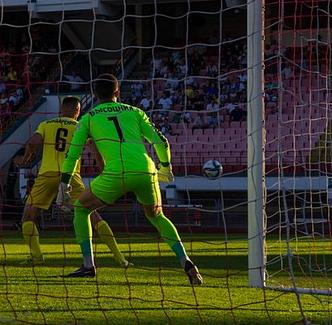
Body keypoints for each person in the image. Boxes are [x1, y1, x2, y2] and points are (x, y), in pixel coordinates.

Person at [60, 74, 203, 285]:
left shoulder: (88, 118)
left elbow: (73, 153)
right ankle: (186, 261)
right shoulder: (135, 112)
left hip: (116, 173)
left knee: (81, 208)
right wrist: (165, 167)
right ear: (118, 93)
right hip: (145, 170)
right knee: (157, 216)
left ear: (95, 95)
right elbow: (161, 142)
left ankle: (88, 266)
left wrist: (65, 183)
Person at [13, 96, 125, 266]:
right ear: (77, 111)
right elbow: (94, 149)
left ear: (61, 110)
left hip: (47, 174)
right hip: (71, 175)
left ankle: (36, 256)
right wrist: (104, 171)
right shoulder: (81, 126)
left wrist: (25, 160)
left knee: (28, 217)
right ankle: (119, 257)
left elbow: (33, 141)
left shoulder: (46, 124)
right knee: (92, 215)